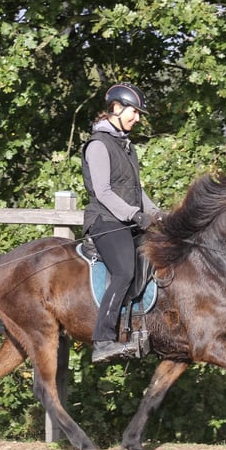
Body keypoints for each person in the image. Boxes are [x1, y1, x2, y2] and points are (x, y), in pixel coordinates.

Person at [81, 82, 163, 363]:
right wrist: (134, 215)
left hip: (128, 220)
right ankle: (103, 340)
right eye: (134, 112)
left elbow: (137, 190)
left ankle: (143, 328)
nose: (137, 118)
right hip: (106, 221)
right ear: (116, 109)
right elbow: (103, 192)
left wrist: (156, 213)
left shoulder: (127, 147)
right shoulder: (98, 146)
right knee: (124, 271)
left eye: (138, 113)